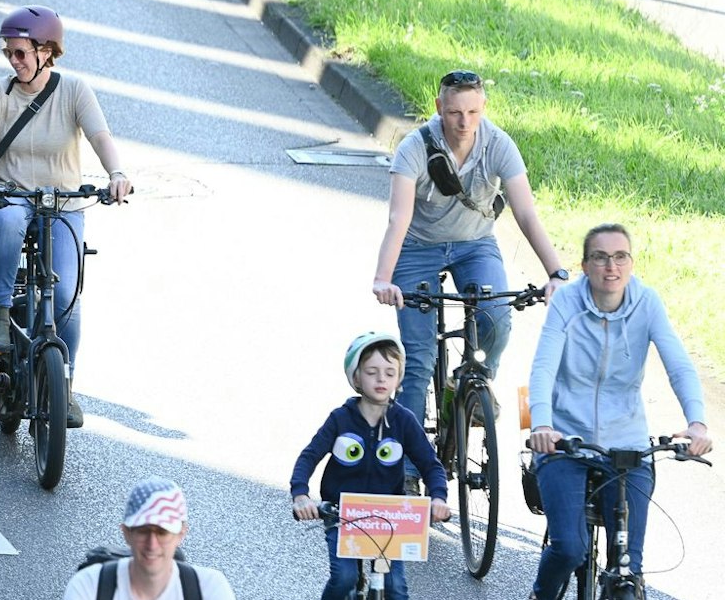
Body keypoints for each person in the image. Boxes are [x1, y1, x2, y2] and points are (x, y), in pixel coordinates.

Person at [0, 7, 131, 419]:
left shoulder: (74, 91)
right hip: (7, 195)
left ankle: (65, 385)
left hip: (62, 202)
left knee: (66, 296)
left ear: (46, 51)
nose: (13, 61)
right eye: (8, 53)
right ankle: (0, 314)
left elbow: (100, 136)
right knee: (10, 222)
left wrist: (117, 173)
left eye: (20, 53)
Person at [370, 70, 568, 423]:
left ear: (483, 108)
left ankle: (471, 381)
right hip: (417, 247)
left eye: (473, 112)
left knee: (496, 320)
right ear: (439, 107)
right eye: (454, 112)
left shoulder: (498, 144)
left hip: (475, 245)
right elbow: (398, 219)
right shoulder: (414, 148)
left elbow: (526, 213)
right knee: (419, 360)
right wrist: (383, 279)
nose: (464, 122)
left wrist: (556, 273)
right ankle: (409, 455)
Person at [524, 223, 710, 599]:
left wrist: (697, 423)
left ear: (632, 263)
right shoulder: (566, 302)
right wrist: (541, 424)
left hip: (628, 444)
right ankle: (539, 594)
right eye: (600, 257)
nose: (611, 266)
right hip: (565, 441)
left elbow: (679, 365)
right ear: (584, 266)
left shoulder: (647, 303)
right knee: (569, 548)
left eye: (620, 256)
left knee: (627, 564)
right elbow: (542, 368)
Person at [289, 334, 450, 600]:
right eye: (372, 372)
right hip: (343, 515)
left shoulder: (404, 421)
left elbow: (430, 465)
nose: (381, 379)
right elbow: (309, 456)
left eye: (390, 373)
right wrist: (301, 494)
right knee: (344, 578)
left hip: (389, 518)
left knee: (395, 588)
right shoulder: (340, 419)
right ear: (356, 378)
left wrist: (438, 498)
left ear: (398, 379)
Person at [59, 479, 237, 600]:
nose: (152, 544)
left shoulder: (210, 588)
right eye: (143, 531)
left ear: (181, 534)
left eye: (162, 532)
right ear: (126, 533)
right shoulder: (89, 586)